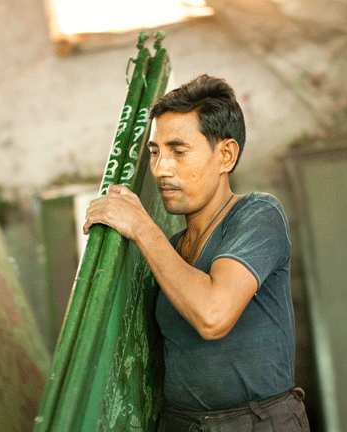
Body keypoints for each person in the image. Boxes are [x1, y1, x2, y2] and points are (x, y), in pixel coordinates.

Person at [84, 74, 309, 431]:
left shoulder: (257, 214)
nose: (160, 169)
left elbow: (213, 316)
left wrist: (141, 226)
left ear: (226, 155)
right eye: (155, 152)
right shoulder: (171, 250)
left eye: (178, 151)